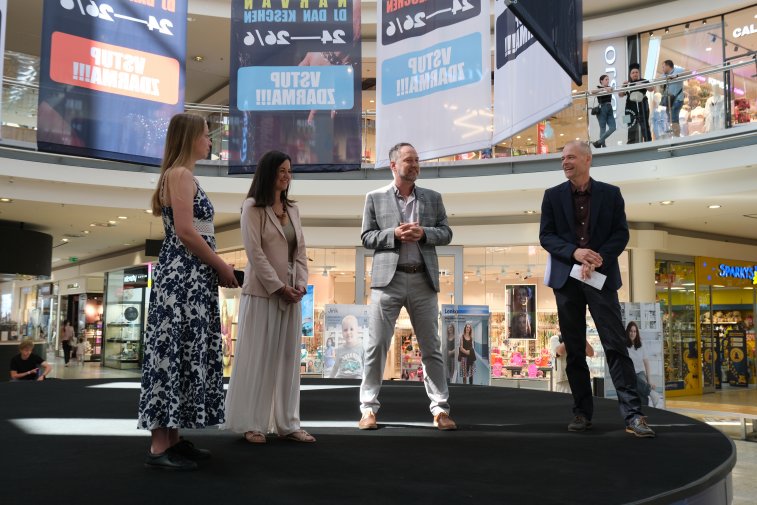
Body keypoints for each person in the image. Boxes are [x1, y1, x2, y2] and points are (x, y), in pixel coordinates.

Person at [137, 113, 239, 471]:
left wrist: (215, 266)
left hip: (189, 276)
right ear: (190, 138)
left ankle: (173, 439)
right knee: (171, 352)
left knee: (180, 351)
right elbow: (185, 231)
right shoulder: (179, 174)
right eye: (206, 135)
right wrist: (220, 265)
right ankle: (158, 446)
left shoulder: (181, 175)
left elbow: (191, 231)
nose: (210, 141)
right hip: (183, 276)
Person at [539, 140, 655, 438]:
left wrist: (597, 257)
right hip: (567, 281)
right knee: (574, 348)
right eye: (562, 158)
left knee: (615, 344)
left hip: (600, 278)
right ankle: (581, 412)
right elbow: (546, 236)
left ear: (587, 159)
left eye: (570, 157)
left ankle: (633, 415)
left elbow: (621, 234)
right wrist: (575, 253)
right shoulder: (552, 196)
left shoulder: (611, 194)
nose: (565, 162)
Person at [358, 142, 456, 431]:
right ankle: (368, 409)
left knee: (431, 347)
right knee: (376, 345)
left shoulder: (433, 198)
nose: (415, 165)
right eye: (409, 160)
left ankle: (440, 410)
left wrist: (424, 233)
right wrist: (393, 235)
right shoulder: (374, 197)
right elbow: (366, 237)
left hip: (423, 280)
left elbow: (446, 233)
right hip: (387, 282)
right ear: (393, 165)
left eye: (417, 160)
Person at [223, 150, 315, 445]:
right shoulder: (252, 207)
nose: (287, 176)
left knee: (289, 359)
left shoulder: (293, 209)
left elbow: (300, 252)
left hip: (291, 294)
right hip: (263, 292)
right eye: (281, 171)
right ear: (268, 173)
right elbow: (255, 254)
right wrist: (278, 287)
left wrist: (300, 284)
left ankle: (288, 423)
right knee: (259, 357)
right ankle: (253, 423)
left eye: (289, 170)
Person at [626, 322, 662, 408]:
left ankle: (645, 409)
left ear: (637, 333)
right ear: (627, 332)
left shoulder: (641, 345)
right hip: (629, 374)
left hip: (640, 372)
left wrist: (649, 380)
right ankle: (651, 393)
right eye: (631, 331)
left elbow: (646, 363)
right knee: (635, 381)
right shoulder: (624, 346)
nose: (632, 333)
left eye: (634, 331)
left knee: (641, 388)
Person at [619, 63, 653, 144]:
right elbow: (620, 95)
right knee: (629, 125)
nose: (635, 74)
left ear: (639, 73)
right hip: (629, 107)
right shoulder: (628, 83)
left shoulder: (644, 80)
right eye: (633, 73)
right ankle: (630, 143)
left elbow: (651, 89)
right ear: (630, 75)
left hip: (642, 106)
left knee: (644, 124)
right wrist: (623, 85)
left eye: (636, 72)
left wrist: (642, 84)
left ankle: (648, 142)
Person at [330, 314, 364, 379]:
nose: (348, 332)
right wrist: (329, 379)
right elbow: (335, 367)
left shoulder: (361, 348)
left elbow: (366, 365)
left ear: (357, 331)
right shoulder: (339, 349)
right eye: (345, 330)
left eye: (351, 329)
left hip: (356, 376)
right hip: (342, 376)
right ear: (342, 332)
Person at [660, 59, 687, 137]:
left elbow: (690, 72)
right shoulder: (664, 75)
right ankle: (673, 135)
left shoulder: (678, 70)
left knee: (674, 117)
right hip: (668, 100)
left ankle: (676, 136)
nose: (662, 69)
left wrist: (676, 76)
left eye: (663, 67)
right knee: (669, 118)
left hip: (678, 99)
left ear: (668, 66)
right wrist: (666, 79)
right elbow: (659, 82)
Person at [592, 74, 616, 148]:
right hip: (602, 107)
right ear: (601, 81)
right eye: (606, 79)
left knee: (613, 128)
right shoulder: (598, 87)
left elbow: (611, 89)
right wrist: (602, 89)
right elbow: (592, 91)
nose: (608, 81)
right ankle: (603, 145)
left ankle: (599, 142)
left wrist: (607, 88)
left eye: (608, 79)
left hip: (609, 107)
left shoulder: (609, 87)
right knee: (603, 128)